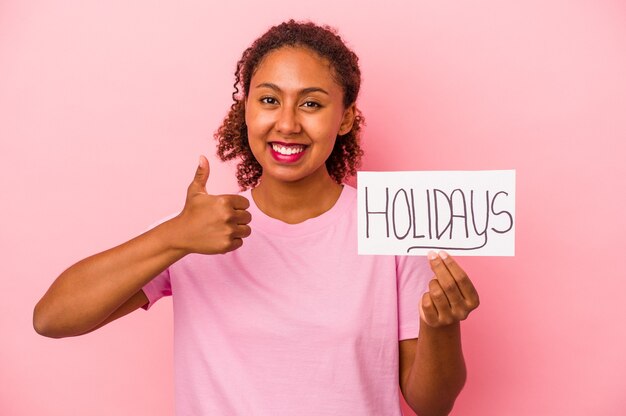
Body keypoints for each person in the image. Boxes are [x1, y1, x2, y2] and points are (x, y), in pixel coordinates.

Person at [34, 20, 479, 416]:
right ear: (245, 109)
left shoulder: (391, 227)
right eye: (269, 99)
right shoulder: (200, 227)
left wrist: (441, 325)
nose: (286, 124)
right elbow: (52, 319)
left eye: (311, 104)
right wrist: (174, 237)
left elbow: (432, 405)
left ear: (345, 118)